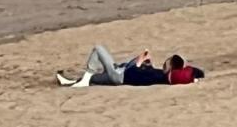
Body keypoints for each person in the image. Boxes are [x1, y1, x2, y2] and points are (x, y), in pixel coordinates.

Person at [56, 45, 203, 87]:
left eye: (168, 61)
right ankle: (71, 82)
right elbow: (198, 72)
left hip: (120, 75)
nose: (166, 61)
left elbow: (134, 73)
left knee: (98, 49)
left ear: (170, 66)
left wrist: (139, 60)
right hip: (120, 75)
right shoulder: (160, 75)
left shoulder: (159, 76)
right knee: (94, 79)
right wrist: (147, 63)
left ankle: (84, 78)